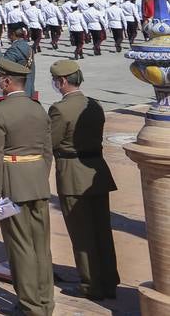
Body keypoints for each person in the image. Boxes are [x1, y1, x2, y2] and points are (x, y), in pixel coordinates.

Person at [0, 58, 55, 315]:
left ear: (6, 81)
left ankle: (30, 306)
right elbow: (47, 151)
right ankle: (45, 301)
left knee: (20, 246)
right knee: (41, 245)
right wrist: (39, 175)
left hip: (12, 184)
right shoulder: (38, 108)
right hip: (37, 180)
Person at [48, 59, 119, 301]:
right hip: (97, 171)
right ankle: (109, 280)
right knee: (102, 231)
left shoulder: (60, 109)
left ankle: (91, 284)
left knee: (82, 234)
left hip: (72, 173)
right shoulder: (95, 105)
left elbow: (51, 142)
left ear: (63, 82)